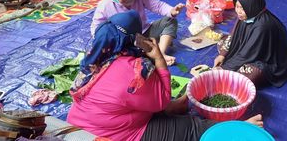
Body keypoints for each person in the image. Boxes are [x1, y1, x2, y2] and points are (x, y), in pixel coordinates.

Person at [69, 11, 263, 141]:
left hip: (78, 125)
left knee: (155, 104)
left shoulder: (93, 58)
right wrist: (159, 59)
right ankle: (236, 132)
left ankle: (176, 107)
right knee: (191, 126)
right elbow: (160, 101)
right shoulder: (136, 69)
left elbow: (127, 99)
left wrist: (169, 106)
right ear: (137, 38)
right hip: (110, 135)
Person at [91, 0, 184, 65]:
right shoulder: (105, 4)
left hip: (144, 33)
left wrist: (171, 11)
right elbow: (96, 27)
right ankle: (149, 52)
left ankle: (160, 54)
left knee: (170, 21)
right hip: (124, 41)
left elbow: (157, 6)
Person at [213, 0, 287, 88]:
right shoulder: (248, 14)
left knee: (252, 73)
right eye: (237, 7)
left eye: (242, 8)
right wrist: (222, 55)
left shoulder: (263, 26)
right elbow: (233, 35)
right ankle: (233, 66)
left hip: (265, 57)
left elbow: (247, 54)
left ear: (251, 7)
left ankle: (234, 70)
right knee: (222, 42)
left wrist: (224, 69)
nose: (238, 11)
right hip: (252, 48)